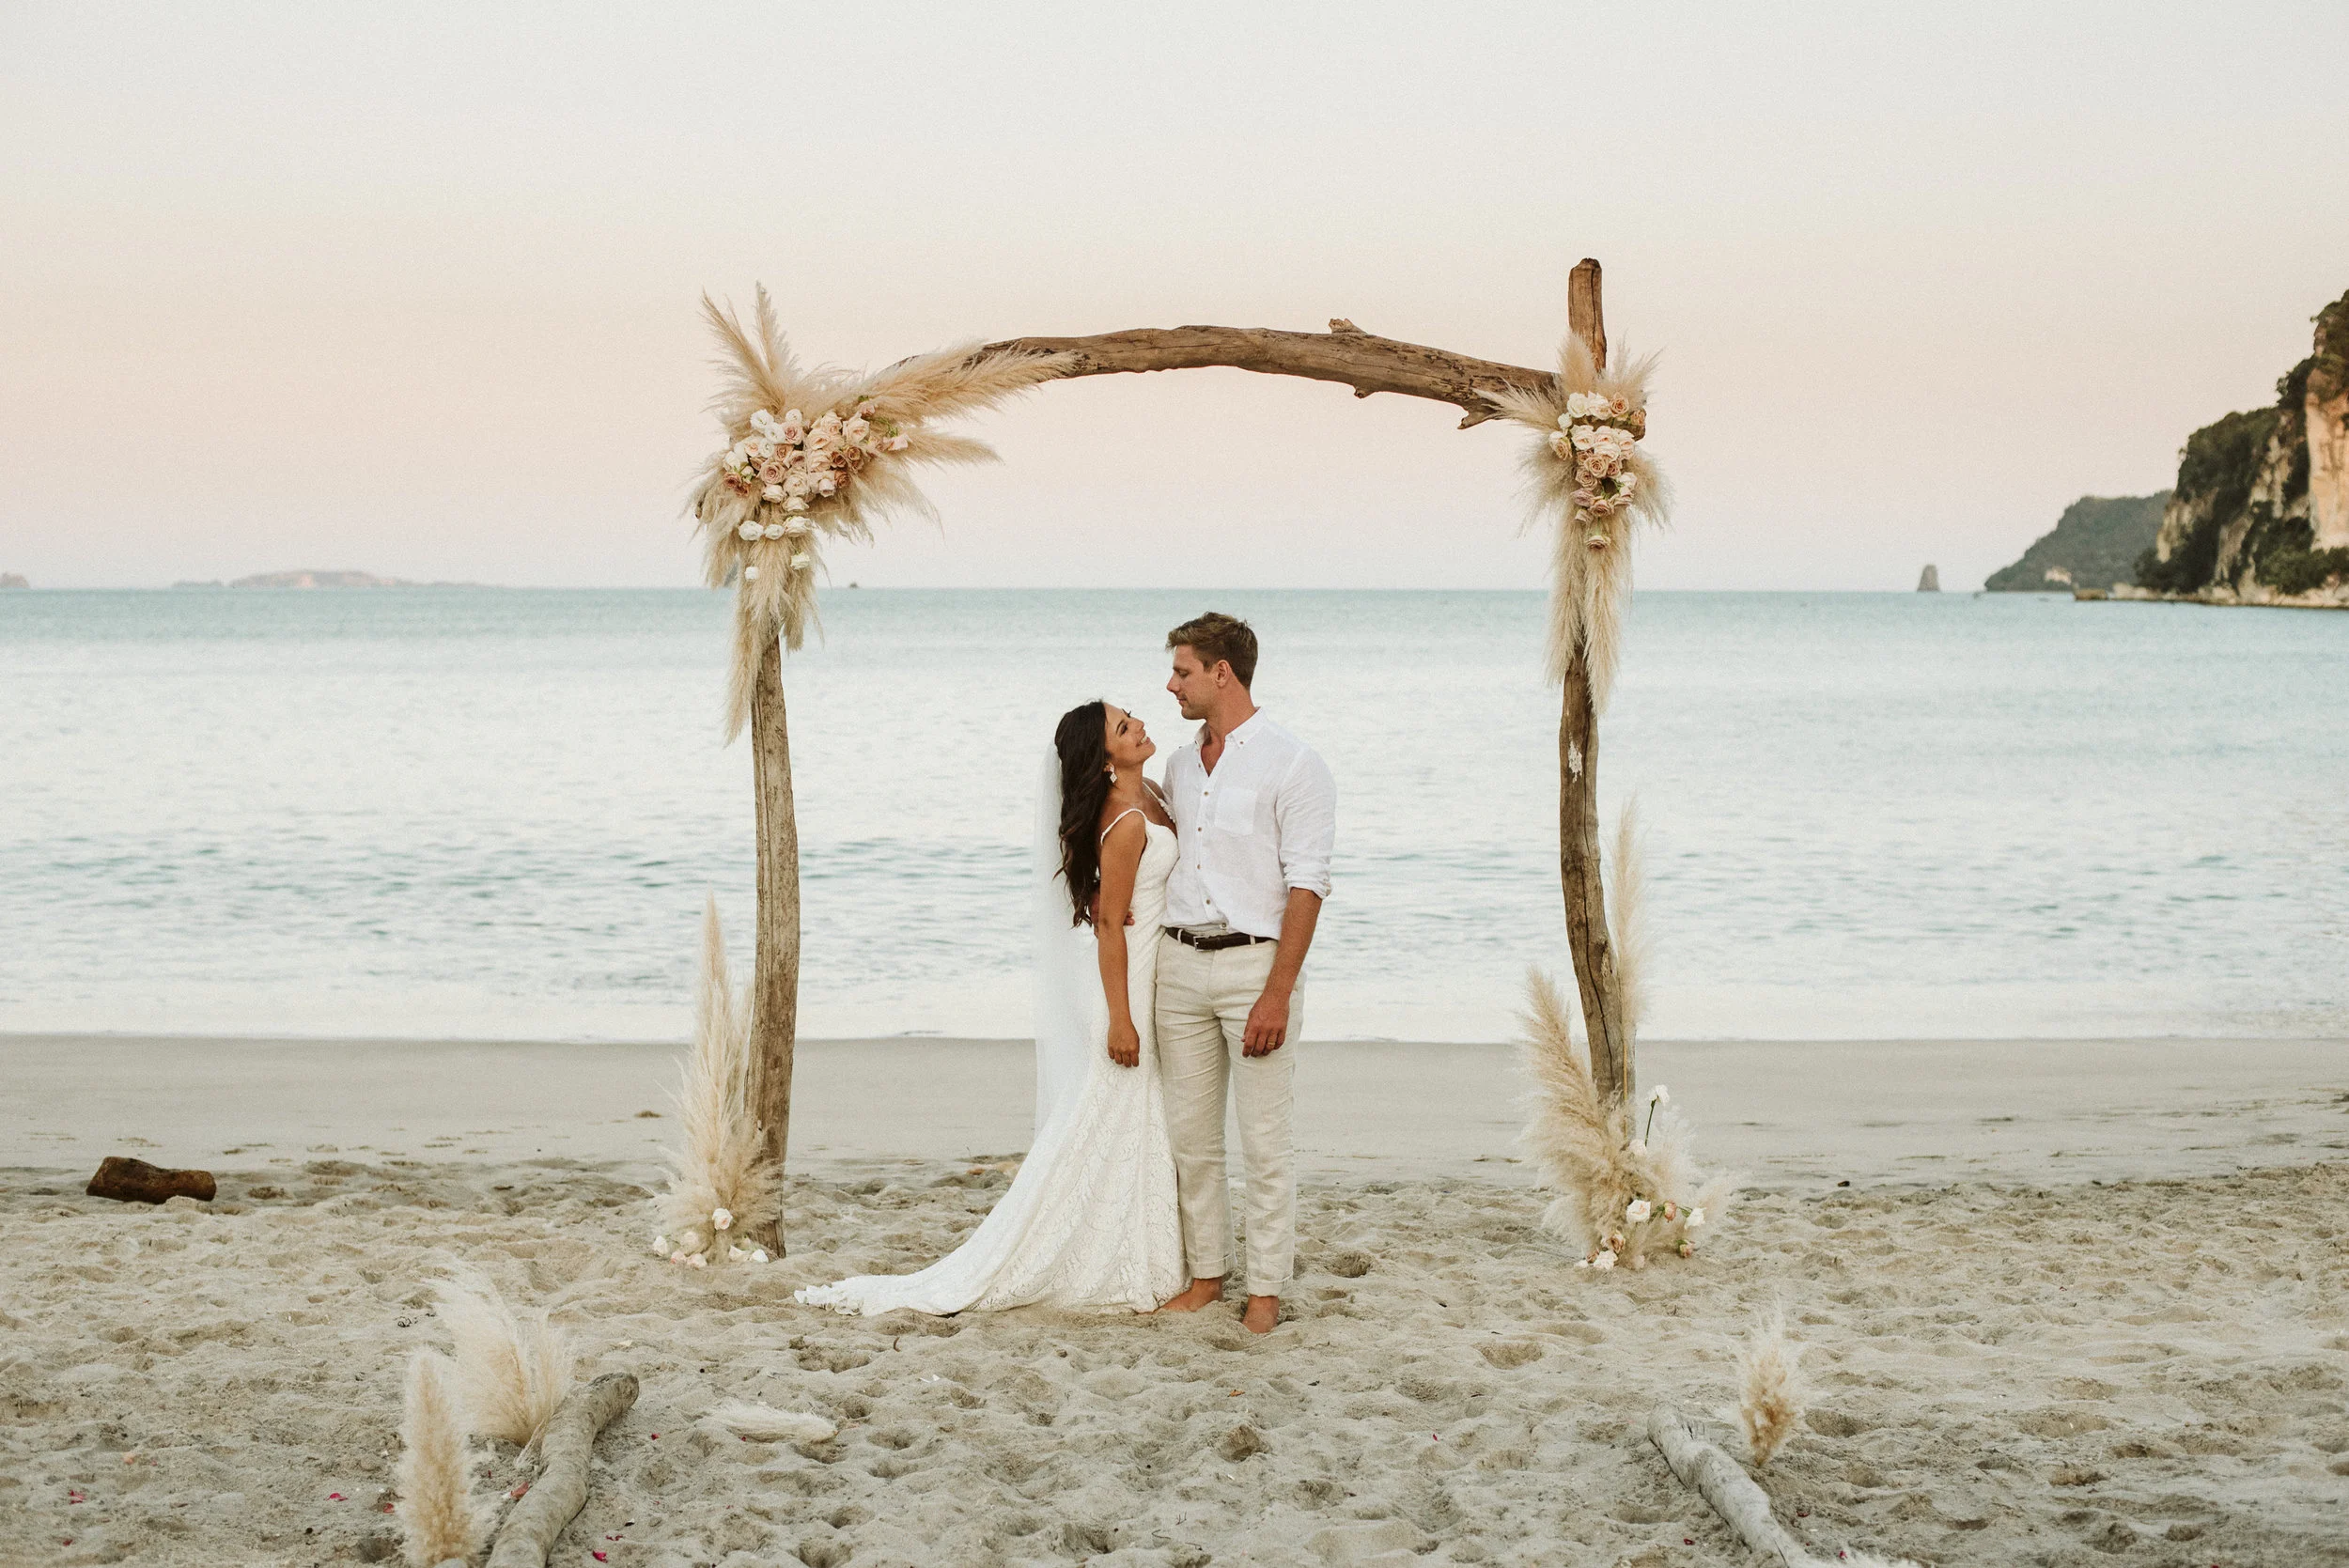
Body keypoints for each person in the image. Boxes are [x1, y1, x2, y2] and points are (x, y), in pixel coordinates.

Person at [793, 701, 1184, 1315]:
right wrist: (1121, 1017)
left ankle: (1142, 1243)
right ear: (1105, 759)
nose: (1136, 725)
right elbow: (1110, 924)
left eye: (1129, 715)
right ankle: (1083, 1246)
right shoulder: (1127, 821)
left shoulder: (1154, 791)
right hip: (1122, 980)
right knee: (1111, 1109)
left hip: (1143, 968)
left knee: (1126, 1114)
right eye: (1121, 727)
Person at [1151, 612, 1336, 1335]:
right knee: (1190, 1140)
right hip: (1179, 963)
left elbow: (1308, 883)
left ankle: (1264, 1291)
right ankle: (1206, 1276)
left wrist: (1277, 992)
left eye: (1183, 671)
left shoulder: (1293, 763)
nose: (1172, 685)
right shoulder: (1177, 763)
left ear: (1221, 672)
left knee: (1265, 1141)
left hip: (1255, 967)